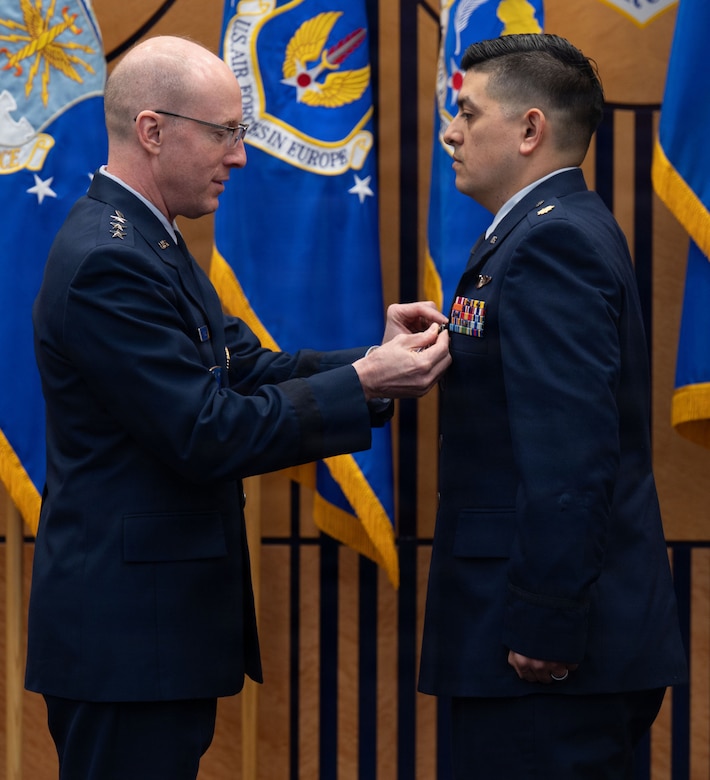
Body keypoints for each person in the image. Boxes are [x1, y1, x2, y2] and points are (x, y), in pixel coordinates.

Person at [25, 35, 451, 780]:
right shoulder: (108, 261)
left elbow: (243, 366)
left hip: (154, 636)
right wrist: (366, 384)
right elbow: (205, 430)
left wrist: (370, 359)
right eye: (226, 133)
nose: (241, 157)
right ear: (154, 131)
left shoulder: (151, 244)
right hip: (127, 642)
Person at [418, 33, 688, 779]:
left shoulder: (550, 244)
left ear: (530, 129)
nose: (449, 130)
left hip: (547, 653)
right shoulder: (538, 232)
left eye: (467, 113)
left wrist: (546, 620)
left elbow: (569, 454)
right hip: (540, 638)